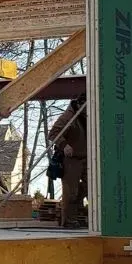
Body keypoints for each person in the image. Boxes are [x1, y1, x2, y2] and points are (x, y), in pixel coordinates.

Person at [49, 94, 88, 227]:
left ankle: (78, 212)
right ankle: (69, 220)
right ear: (80, 104)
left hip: (87, 157)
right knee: (71, 192)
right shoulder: (68, 117)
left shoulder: (90, 115)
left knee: (91, 186)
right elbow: (53, 133)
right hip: (71, 159)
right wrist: (64, 145)